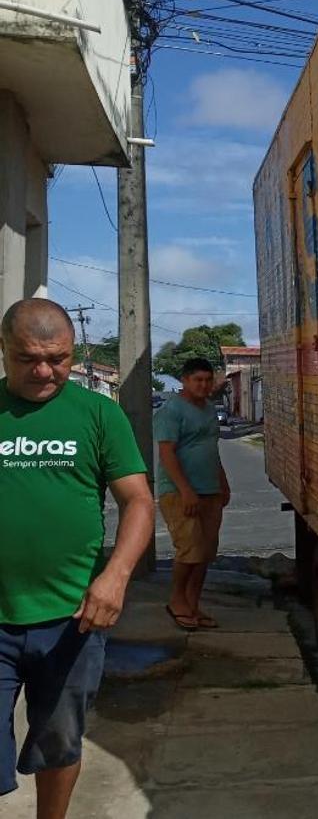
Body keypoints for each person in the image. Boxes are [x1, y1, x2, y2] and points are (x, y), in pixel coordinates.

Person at [0, 298, 154, 819]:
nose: (45, 371)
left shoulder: (98, 414)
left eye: (58, 358)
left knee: (59, 740)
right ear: (4, 349)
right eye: (28, 358)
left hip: (73, 617)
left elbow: (138, 501)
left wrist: (116, 577)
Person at [155, 358, 231, 631]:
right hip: (179, 493)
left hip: (210, 490)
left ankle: (192, 604)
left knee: (206, 552)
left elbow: (211, 448)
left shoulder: (210, 410)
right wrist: (186, 490)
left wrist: (223, 483)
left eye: (208, 380)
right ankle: (177, 601)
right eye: (197, 380)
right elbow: (167, 453)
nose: (203, 385)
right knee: (190, 550)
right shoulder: (171, 410)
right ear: (185, 381)